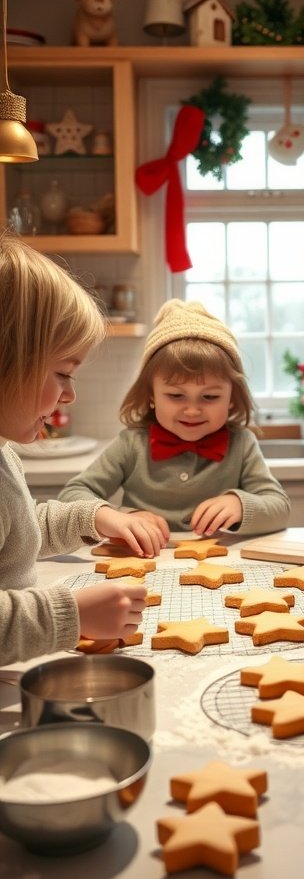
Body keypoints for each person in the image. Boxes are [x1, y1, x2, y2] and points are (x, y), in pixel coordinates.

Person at [0, 233, 168, 667]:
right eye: (62, 373)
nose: (70, 395)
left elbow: (16, 533)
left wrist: (91, 517)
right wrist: (70, 615)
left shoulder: (4, 455)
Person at [59, 299, 291, 536]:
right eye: (176, 395)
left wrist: (240, 504)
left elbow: (280, 508)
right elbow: (71, 496)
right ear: (151, 395)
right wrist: (119, 517)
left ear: (232, 397)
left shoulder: (242, 444)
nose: (192, 410)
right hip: (143, 567)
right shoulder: (131, 444)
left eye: (209, 397)